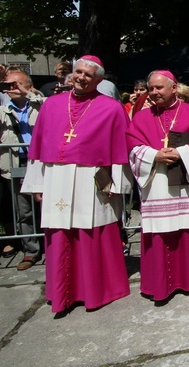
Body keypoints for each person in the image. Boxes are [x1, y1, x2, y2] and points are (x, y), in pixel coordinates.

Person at [21, 56, 132, 313]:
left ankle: (97, 290)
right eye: (79, 72)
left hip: (91, 178)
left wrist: (117, 185)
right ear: (72, 73)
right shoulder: (51, 104)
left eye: (88, 75)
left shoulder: (111, 108)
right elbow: (39, 144)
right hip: (56, 177)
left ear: (99, 80)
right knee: (60, 234)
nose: (81, 77)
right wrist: (38, 182)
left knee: (92, 232)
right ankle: (63, 292)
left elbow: (120, 148)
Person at [127, 70, 189, 302]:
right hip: (157, 183)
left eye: (159, 88)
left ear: (173, 88)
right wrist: (154, 156)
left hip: (186, 182)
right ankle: (161, 284)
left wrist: (181, 153)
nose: (153, 93)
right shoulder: (141, 117)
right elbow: (133, 146)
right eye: (151, 89)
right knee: (161, 233)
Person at [1, 70, 44, 270]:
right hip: (17, 163)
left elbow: (51, 106)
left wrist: (28, 94)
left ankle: (53, 247)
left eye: (16, 84)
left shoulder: (41, 105)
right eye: (9, 85)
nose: (12, 89)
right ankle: (31, 251)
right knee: (24, 211)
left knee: (47, 207)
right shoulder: (2, 110)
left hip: (42, 162)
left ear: (28, 85)